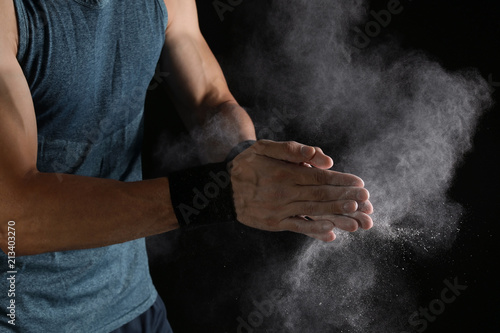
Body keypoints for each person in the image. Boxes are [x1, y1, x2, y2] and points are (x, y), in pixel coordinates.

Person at [0, 0, 373, 331]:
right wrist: (220, 194)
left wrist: (246, 161)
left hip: (130, 304)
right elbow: (15, 218)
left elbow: (208, 100)